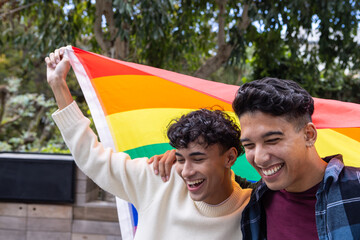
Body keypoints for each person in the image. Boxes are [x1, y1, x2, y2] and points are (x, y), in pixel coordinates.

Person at [45, 47, 252, 240]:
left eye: (197, 159)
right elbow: (93, 158)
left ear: (230, 157)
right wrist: (58, 85)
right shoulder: (160, 178)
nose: (187, 171)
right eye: (180, 158)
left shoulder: (255, 210)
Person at [152, 77, 360, 239]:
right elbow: (221, 183)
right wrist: (182, 157)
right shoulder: (256, 201)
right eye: (249, 145)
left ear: (309, 135)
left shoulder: (355, 189)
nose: (259, 157)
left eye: (272, 140)